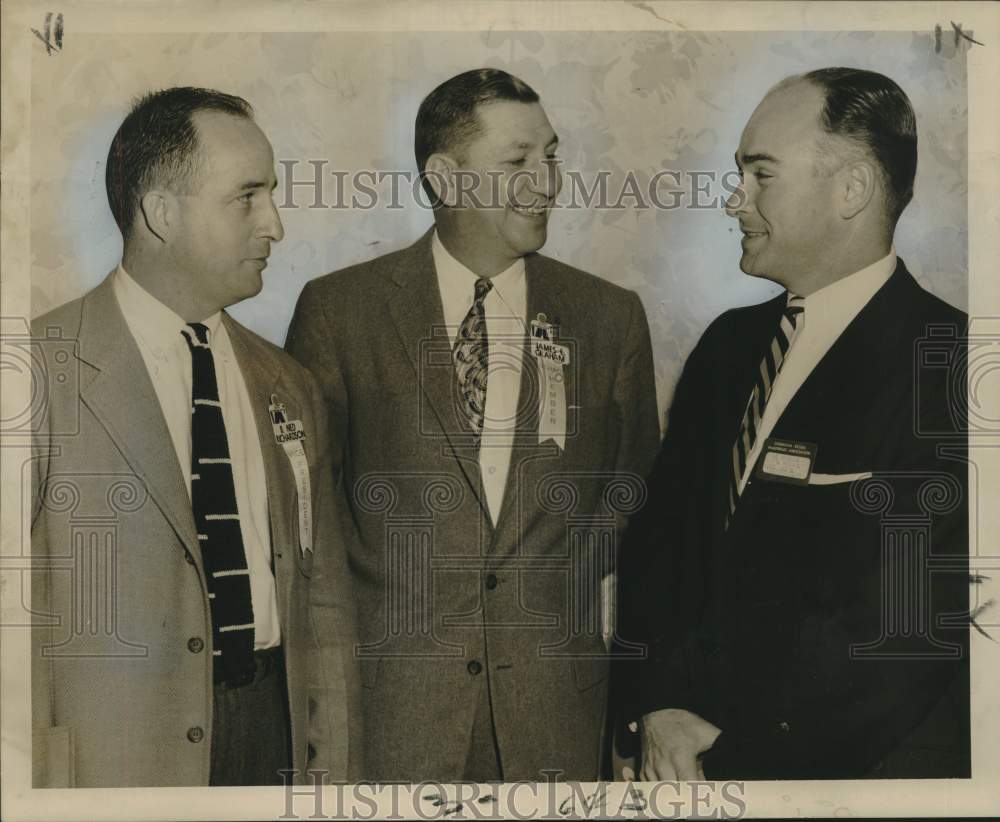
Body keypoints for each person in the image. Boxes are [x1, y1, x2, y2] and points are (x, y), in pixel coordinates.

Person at [285, 68, 660, 782]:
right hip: (393, 714)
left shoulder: (609, 318)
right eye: (518, 162)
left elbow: (634, 504)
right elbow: (311, 526)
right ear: (447, 178)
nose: (547, 183)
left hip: (557, 717)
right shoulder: (339, 313)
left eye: (551, 156)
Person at [618, 67, 969, 780]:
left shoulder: (954, 363)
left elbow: (911, 629)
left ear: (852, 190)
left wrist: (727, 750)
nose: (733, 200)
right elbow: (659, 554)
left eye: (760, 174)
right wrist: (655, 711)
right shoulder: (726, 348)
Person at [30, 87, 360, 787]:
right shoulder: (35, 372)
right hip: (110, 766)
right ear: (161, 214)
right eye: (247, 196)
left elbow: (322, 595)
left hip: (272, 745)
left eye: (271, 194)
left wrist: (333, 765)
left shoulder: (289, 382)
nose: (275, 224)